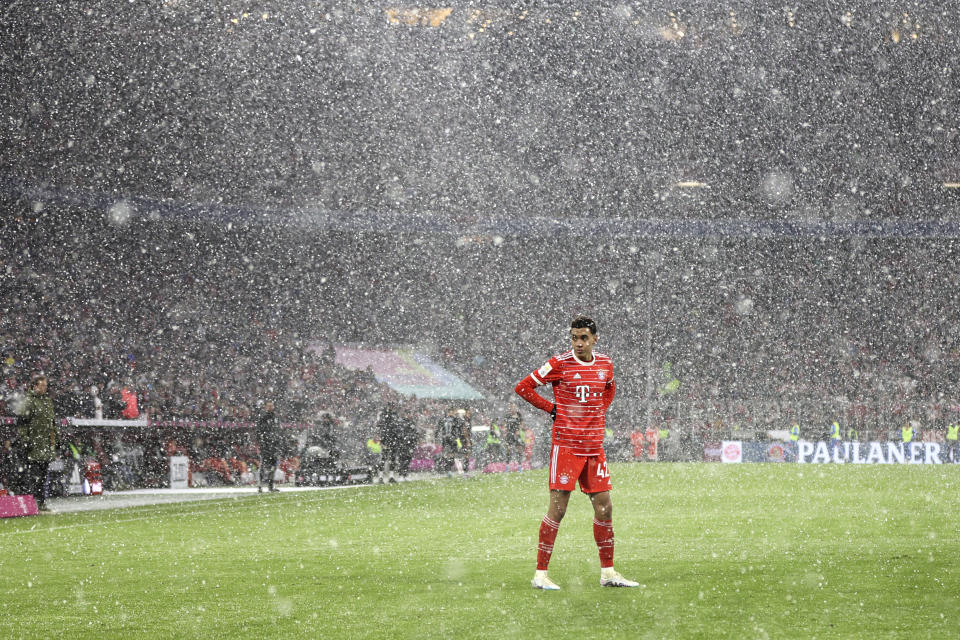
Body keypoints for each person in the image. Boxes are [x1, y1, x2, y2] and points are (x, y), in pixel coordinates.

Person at [515, 316, 638, 590]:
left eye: (583, 337)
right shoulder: (560, 364)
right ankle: (540, 575)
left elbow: (610, 387)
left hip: (594, 448)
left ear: (595, 338)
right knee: (558, 510)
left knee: (605, 507)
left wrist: (599, 410)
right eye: (574, 337)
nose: (578, 343)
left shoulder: (605, 364)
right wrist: (552, 409)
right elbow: (523, 387)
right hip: (567, 447)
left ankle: (608, 573)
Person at [17, 374, 58, 512]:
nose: (44, 388)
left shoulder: (47, 402)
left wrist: (55, 440)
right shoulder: (29, 401)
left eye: (45, 386)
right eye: (42, 386)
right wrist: (26, 440)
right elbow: (22, 423)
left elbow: (52, 423)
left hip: (45, 445)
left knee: (43, 477)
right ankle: (30, 504)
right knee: (33, 477)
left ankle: (41, 503)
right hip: (33, 445)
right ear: (34, 386)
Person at [255, 400, 282, 492]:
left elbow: (278, 430)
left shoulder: (275, 417)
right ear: (266, 407)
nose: (270, 407)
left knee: (274, 466)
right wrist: (262, 442)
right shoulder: (263, 417)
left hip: (274, 445)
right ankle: (260, 485)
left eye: (272, 406)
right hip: (266, 445)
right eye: (269, 406)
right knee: (263, 465)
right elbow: (259, 431)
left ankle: (270, 486)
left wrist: (278, 441)